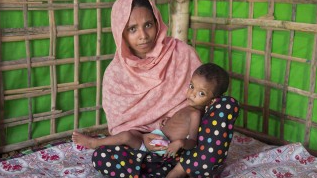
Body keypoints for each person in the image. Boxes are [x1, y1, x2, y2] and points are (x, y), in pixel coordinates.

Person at [73, 0, 239, 178]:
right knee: (103, 157)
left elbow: (203, 103)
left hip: (187, 149)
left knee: (227, 105)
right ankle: (183, 176)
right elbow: (121, 128)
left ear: (158, 22)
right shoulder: (115, 74)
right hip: (145, 153)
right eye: (132, 29)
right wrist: (146, 137)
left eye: (148, 24)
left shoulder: (181, 53)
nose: (143, 35)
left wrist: (178, 135)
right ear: (120, 33)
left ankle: (177, 174)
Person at [73, 63, 229, 161]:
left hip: (160, 149)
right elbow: (180, 126)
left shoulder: (196, 114)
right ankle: (114, 147)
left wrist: (180, 142)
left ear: (213, 100)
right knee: (132, 132)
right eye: (191, 86)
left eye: (201, 93)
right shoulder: (190, 107)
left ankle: (94, 143)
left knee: (127, 136)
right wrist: (168, 123)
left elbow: (193, 142)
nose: (192, 94)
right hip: (158, 137)